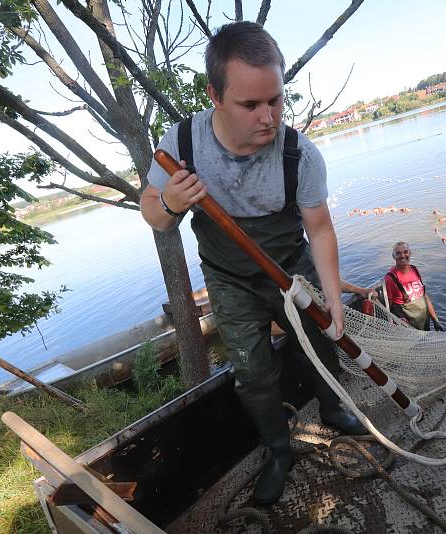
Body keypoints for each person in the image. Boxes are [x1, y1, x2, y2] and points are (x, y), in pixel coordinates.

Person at [140, 21, 366, 506]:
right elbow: (154, 216)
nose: (268, 117)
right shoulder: (181, 144)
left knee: (322, 343)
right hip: (229, 278)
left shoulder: (298, 153)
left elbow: (320, 229)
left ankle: (331, 409)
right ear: (215, 96)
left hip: (291, 267)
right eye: (251, 104)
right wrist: (172, 203)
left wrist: (333, 298)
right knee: (253, 373)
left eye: (276, 100)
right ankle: (278, 450)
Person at [383, 242, 443, 331]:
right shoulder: (390, 279)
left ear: (410, 253)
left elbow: (424, 296)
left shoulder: (414, 269)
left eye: (405, 252)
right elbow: (388, 309)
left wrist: (435, 319)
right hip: (409, 330)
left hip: (424, 323)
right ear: (393, 256)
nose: (402, 256)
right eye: (398, 253)